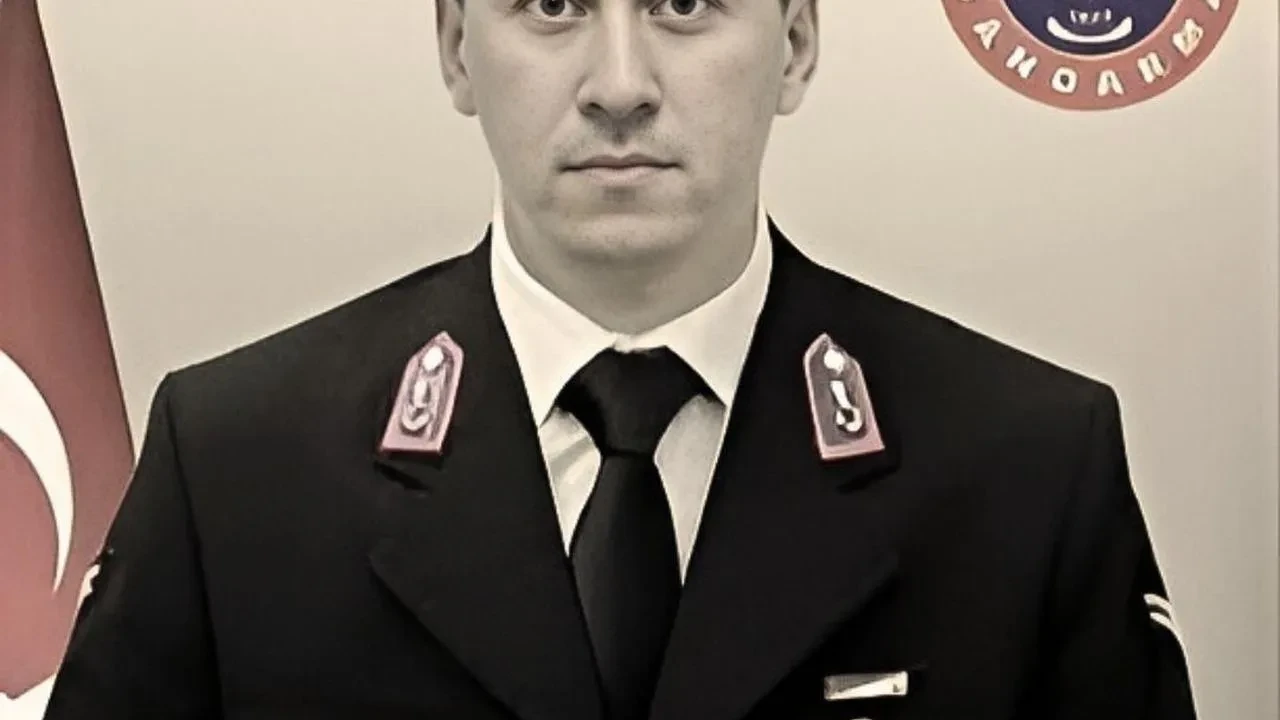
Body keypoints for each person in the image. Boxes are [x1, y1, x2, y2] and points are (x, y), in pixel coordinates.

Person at [45, 0, 1198, 718]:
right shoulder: (237, 469)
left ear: (794, 45)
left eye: (682, 5)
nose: (619, 86)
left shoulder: (1024, 470)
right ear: (455, 48)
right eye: (550, 6)